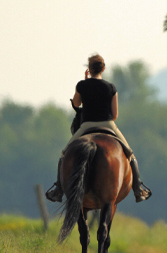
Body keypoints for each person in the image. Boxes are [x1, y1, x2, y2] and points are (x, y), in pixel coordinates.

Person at [46, 54, 152, 203]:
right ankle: (138, 190)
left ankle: (58, 190)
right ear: (103, 68)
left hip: (86, 125)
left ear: (89, 69)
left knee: (64, 153)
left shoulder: (82, 85)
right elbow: (114, 115)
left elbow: (76, 104)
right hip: (108, 124)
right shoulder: (111, 88)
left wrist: (85, 83)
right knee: (130, 154)